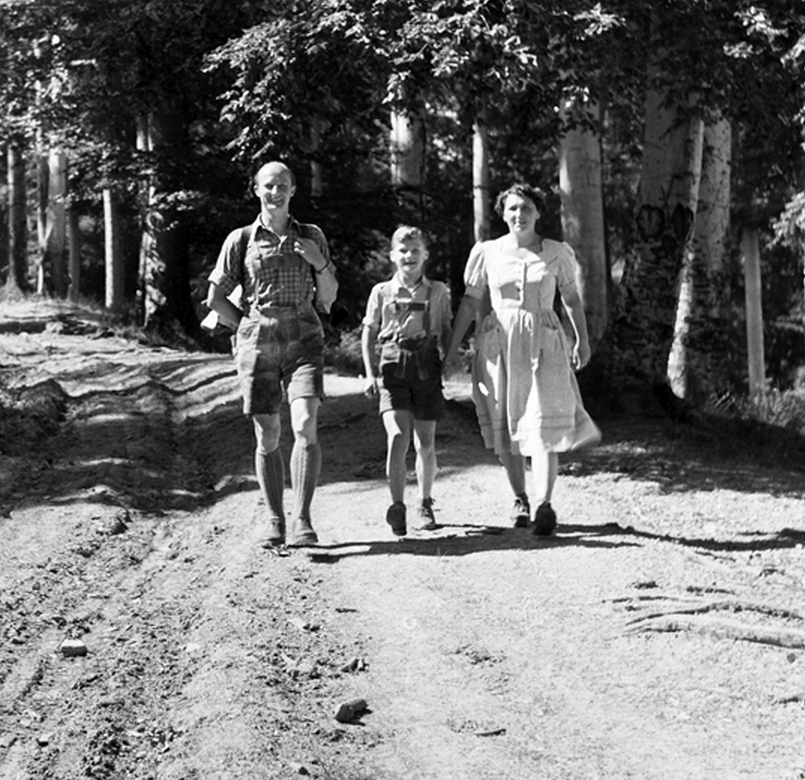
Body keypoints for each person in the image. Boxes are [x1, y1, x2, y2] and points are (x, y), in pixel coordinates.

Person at [442, 183, 600, 537]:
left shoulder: (556, 252)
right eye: (512, 208)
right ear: (503, 214)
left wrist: (582, 340)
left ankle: (544, 504)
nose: (519, 214)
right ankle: (520, 499)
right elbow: (470, 302)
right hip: (499, 345)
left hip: (545, 344)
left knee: (542, 426)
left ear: (538, 213)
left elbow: (571, 298)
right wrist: (452, 351)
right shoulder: (487, 252)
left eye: (526, 207)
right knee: (507, 425)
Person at [206, 161, 339, 550]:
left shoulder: (312, 236)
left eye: (282, 185)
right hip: (258, 343)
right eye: (268, 186)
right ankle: (274, 519)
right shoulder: (241, 239)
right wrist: (245, 326)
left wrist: (319, 263)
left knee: (305, 425)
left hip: (304, 339)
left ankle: (303, 519)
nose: (275, 192)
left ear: (293, 190)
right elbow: (215, 297)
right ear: (256, 190)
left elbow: (328, 297)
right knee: (268, 435)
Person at [361, 225, 453, 536]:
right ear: (392, 255)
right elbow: (369, 332)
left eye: (415, 250)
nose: (409, 256)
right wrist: (370, 374)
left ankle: (424, 502)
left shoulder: (437, 292)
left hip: (426, 366)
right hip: (392, 368)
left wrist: (449, 363)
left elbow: (446, 329)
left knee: (425, 442)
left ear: (425, 255)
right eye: (403, 250)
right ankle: (397, 505)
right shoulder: (381, 292)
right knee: (398, 436)